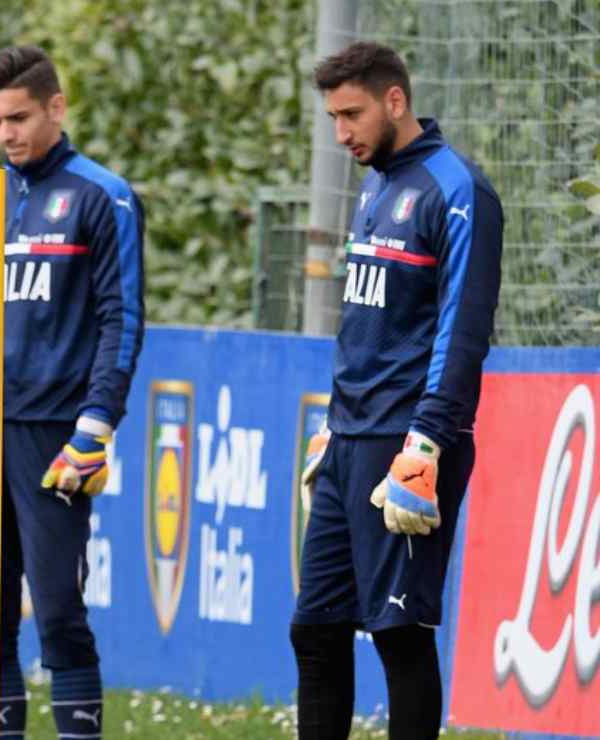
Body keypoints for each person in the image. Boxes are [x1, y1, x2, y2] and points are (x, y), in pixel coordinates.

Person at [0, 45, 145, 739]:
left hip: (52, 435)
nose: (6, 134)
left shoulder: (103, 196)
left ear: (56, 107)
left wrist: (97, 424)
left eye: (18, 118)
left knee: (59, 611)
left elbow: (122, 319)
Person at [292, 42, 502, 739]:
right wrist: (333, 423)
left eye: (351, 114)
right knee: (315, 630)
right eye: (332, 117)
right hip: (349, 438)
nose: (341, 133)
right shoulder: (376, 185)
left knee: (399, 633)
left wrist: (427, 444)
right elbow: (367, 325)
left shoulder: (459, 190)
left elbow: (463, 329)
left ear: (395, 100)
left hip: (407, 442)